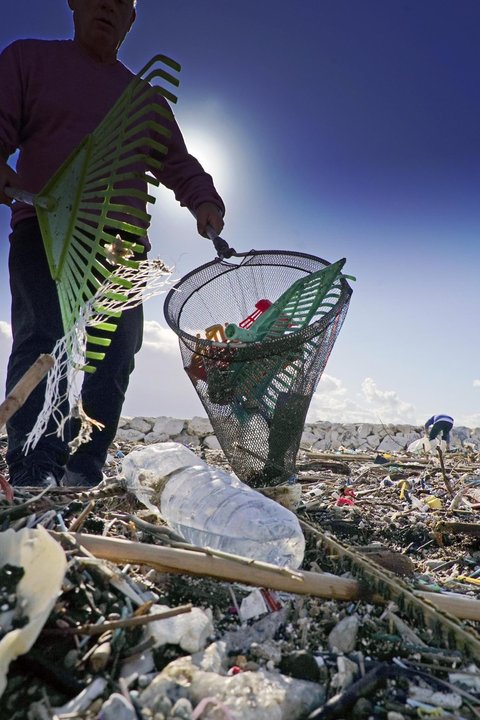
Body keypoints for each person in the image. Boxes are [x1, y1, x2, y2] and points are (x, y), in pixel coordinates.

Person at [0, 0, 225, 488]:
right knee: (45, 337)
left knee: (117, 351)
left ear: (132, 19)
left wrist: (203, 200)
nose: (108, 6)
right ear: (74, 3)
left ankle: (82, 467)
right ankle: (34, 465)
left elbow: (179, 164)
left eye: (122, 1)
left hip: (121, 247)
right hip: (47, 227)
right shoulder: (29, 60)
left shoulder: (144, 99)